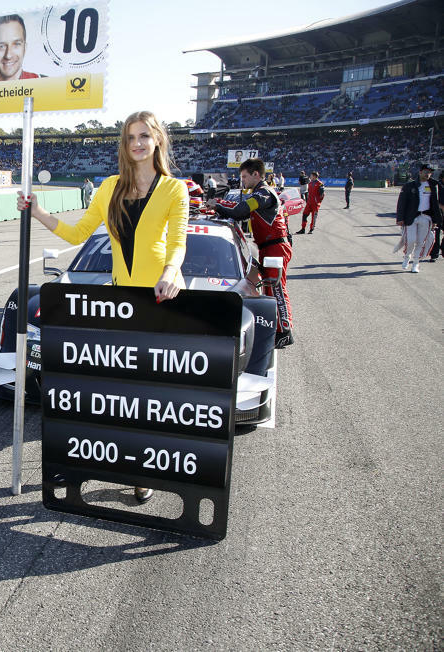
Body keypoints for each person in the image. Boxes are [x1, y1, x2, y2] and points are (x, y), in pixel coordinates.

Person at [18, 110, 188, 505]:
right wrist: (38, 211)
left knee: (148, 395)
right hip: (117, 305)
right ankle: (111, 460)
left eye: (145, 136)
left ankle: (142, 472)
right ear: (124, 145)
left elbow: (178, 241)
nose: (137, 143)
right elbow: (78, 232)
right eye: (131, 137)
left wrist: (173, 271)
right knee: (114, 393)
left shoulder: (173, 189)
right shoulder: (109, 186)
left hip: (159, 301)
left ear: (158, 140)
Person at [206, 158, 294, 349]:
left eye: (245, 176)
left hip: (275, 247)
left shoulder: (263, 194)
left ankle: (285, 331)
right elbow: (242, 214)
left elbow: (241, 210)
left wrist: (218, 204)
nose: (243, 181)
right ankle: (278, 329)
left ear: (256, 174)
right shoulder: (259, 193)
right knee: (271, 288)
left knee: (276, 288)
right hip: (269, 246)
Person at [396, 163, 441, 273]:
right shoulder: (409, 186)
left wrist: (435, 220)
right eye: (426, 171)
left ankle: (416, 263)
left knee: (421, 242)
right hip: (411, 217)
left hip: (426, 217)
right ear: (420, 172)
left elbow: (435, 204)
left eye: (430, 172)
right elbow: (401, 202)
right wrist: (400, 218)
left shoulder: (433, 186)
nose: (428, 174)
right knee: (410, 240)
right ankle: (407, 257)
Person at [0, 14, 45, 82]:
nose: (8, 56)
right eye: (1, 46)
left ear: (25, 48)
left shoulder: (45, 84)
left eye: (16, 44)